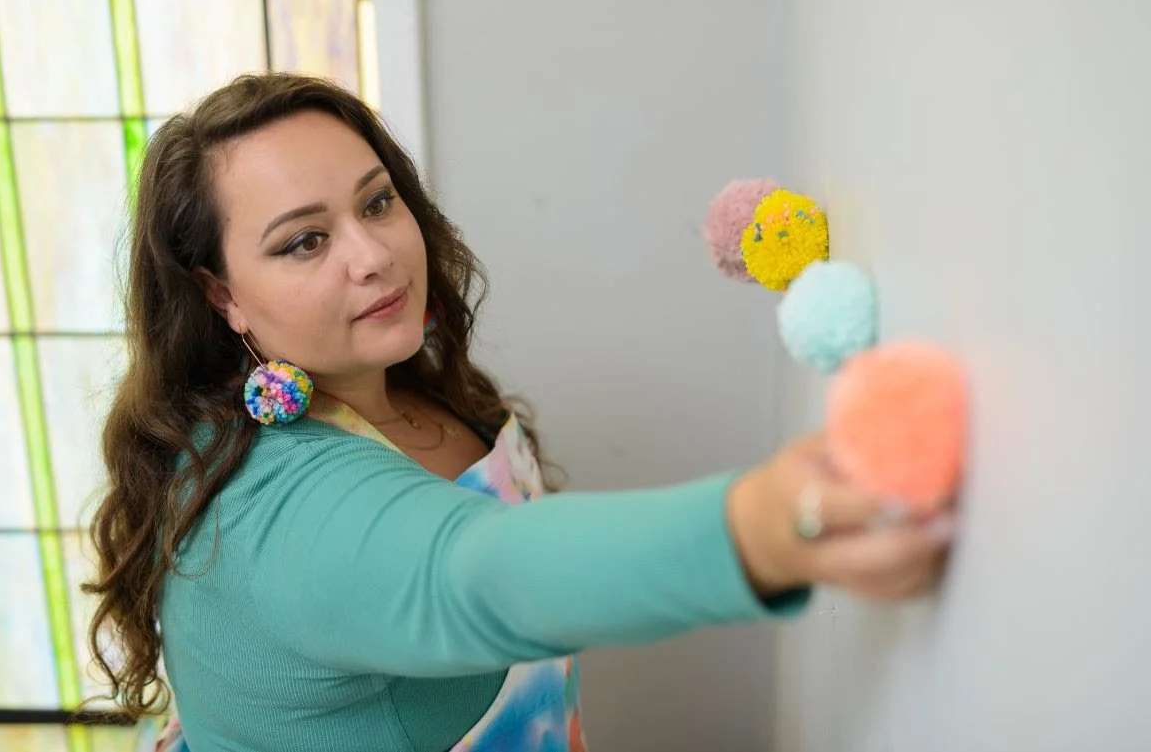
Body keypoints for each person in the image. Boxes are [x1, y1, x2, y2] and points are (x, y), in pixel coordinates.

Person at [83, 71, 956, 752]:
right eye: (304, 240)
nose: (374, 253)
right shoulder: (273, 505)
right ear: (221, 294)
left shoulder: (388, 380)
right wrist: (758, 529)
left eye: (377, 202)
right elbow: (473, 574)